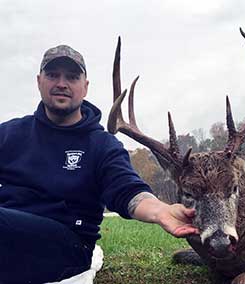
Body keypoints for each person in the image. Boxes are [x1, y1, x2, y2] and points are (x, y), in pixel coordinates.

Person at [0, 45, 198, 284]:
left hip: (67, 243)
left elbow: (128, 190)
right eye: (53, 75)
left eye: (72, 77)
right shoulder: (10, 133)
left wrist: (161, 211)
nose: (62, 83)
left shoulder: (102, 145)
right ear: (39, 81)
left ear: (85, 87)